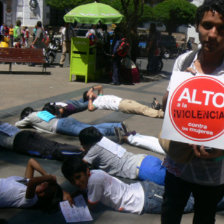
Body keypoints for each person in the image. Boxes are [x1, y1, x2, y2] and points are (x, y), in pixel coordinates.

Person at [161, 1, 224, 223]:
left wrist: (221, 151)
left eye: (221, 28)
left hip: (212, 173)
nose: (213, 34)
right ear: (197, 26)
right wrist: (183, 87)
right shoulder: (183, 61)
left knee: (205, 218)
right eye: (207, 25)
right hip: (177, 164)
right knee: (170, 214)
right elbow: (167, 106)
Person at [61, 157, 195, 215]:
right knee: (185, 197)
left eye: (78, 177)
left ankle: (213, 201)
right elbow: (85, 190)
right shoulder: (95, 173)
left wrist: (76, 207)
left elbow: (91, 205)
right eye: (73, 181)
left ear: (86, 171)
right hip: (144, 191)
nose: (77, 183)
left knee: (191, 204)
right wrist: (73, 194)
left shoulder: (93, 182)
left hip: (145, 200)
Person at [79, 127, 166, 185]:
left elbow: (81, 164)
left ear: (87, 144)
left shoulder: (94, 149)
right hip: (145, 159)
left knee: (174, 184)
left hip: (141, 169)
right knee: (174, 175)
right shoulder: (104, 141)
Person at [15, 106, 125, 137]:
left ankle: (114, 131)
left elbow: (18, 125)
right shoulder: (40, 112)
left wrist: (26, 121)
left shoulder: (31, 117)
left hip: (61, 126)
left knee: (88, 132)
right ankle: (117, 125)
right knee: (91, 126)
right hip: (65, 120)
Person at [0, 121, 83, 160]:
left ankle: (82, 155)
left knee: (50, 151)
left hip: (19, 141)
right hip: (24, 133)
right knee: (54, 145)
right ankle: (80, 150)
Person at [84, 85, 164, 118]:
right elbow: (90, 108)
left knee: (142, 107)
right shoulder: (96, 103)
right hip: (121, 105)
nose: (92, 94)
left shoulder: (99, 96)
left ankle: (157, 109)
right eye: (91, 94)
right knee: (142, 110)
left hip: (124, 101)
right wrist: (90, 98)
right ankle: (161, 114)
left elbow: (100, 87)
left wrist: (92, 89)